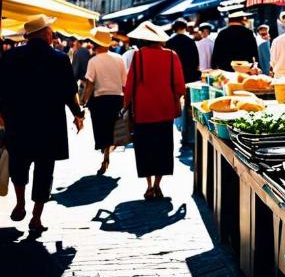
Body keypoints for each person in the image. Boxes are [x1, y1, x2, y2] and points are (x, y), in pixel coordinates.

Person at [0, 15, 85, 232]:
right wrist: (78, 114)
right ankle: (36, 218)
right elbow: (70, 92)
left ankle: (20, 204)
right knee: (44, 171)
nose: (52, 33)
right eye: (50, 30)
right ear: (45, 33)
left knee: (19, 165)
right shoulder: (59, 59)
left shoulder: (10, 57)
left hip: (18, 122)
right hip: (50, 124)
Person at [124, 21, 185, 200]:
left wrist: (126, 104)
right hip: (165, 110)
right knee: (163, 149)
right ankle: (158, 185)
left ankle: (149, 186)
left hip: (143, 112)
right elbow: (180, 86)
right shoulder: (171, 55)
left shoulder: (139, 55)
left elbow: (130, 84)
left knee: (145, 149)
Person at [81, 27, 126, 175]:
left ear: (95, 44)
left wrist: (83, 99)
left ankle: (105, 151)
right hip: (117, 99)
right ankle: (107, 151)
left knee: (102, 130)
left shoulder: (93, 61)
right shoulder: (119, 58)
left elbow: (90, 84)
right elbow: (124, 82)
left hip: (100, 100)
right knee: (113, 128)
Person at [165, 18, 200, 148]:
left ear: (174, 28)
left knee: (173, 104)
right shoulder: (190, 42)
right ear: (185, 28)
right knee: (189, 105)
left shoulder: (170, 42)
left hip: (172, 77)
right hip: (189, 77)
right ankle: (188, 134)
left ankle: (176, 130)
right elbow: (196, 62)